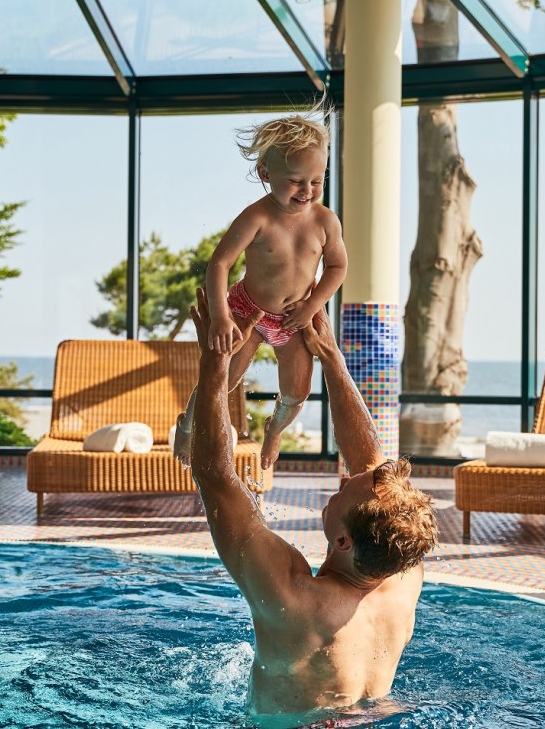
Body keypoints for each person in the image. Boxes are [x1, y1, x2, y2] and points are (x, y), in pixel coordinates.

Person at [187, 288, 438, 725]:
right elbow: (370, 462)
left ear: (343, 539)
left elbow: (214, 476)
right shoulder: (403, 572)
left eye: (346, 490)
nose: (344, 477)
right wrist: (330, 357)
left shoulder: (295, 598)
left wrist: (215, 366)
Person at [173, 110, 347, 471]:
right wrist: (221, 315)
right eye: (296, 181)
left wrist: (312, 305)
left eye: (317, 181)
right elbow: (219, 264)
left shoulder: (325, 221)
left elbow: (337, 267)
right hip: (247, 309)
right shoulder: (257, 217)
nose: (307, 191)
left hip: (295, 318)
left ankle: (274, 430)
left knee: (297, 393)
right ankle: (187, 424)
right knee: (222, 376)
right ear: (266, 174)